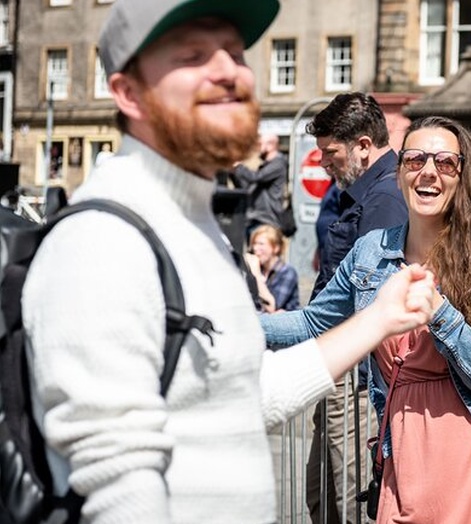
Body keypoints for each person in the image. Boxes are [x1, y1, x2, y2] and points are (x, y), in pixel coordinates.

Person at [20, 2, 437, 522]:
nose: (228, 71)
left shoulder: (196, 228)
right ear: (128, 93)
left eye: (236, 52)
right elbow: (119, 494)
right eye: (193, 54)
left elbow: (238, 395)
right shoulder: (102, 240)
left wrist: (380, 318)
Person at [261, 116, 471, 522]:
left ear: (462, 176)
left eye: (445, 163)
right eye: (416, 159)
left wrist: (442, 315)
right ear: (401, 171)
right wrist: (234, 323)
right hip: (407, 461)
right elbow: (312, 324)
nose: (429, 172)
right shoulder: (371, 252)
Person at [296, 92, 409, 524]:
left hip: (356, 373)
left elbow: (376, 298)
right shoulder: (363, 193)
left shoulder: (385, 198)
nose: (324, 162)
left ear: (363, 145)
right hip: (337, 363)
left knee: (350, 503)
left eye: (331, 152)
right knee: (322, 496)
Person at [231, 132, 288, 238]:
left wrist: (239, 166)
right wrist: (233, 171)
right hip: (255, 218)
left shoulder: (278, 164)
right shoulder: (265, 166)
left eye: (260, 144)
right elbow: (248, 187)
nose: (257, 148)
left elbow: (255, 177)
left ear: (270, 145)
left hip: (267, 221)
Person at [245, 223, 300, 312]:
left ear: (276, 248)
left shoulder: (287, 272)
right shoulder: (259, 269)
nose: (255, 248)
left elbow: (271, 307)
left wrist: (257, 275)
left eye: (261, 244)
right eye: (254, 244)